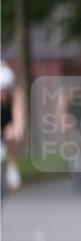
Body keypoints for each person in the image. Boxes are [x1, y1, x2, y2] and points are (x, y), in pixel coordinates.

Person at [1, 59, 26, 190]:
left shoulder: (16, 94)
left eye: (6, 90)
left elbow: (19, 115)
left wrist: (18, 130)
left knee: (11, 134)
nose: (3, 94)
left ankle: (12, 167)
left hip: (8, 121)